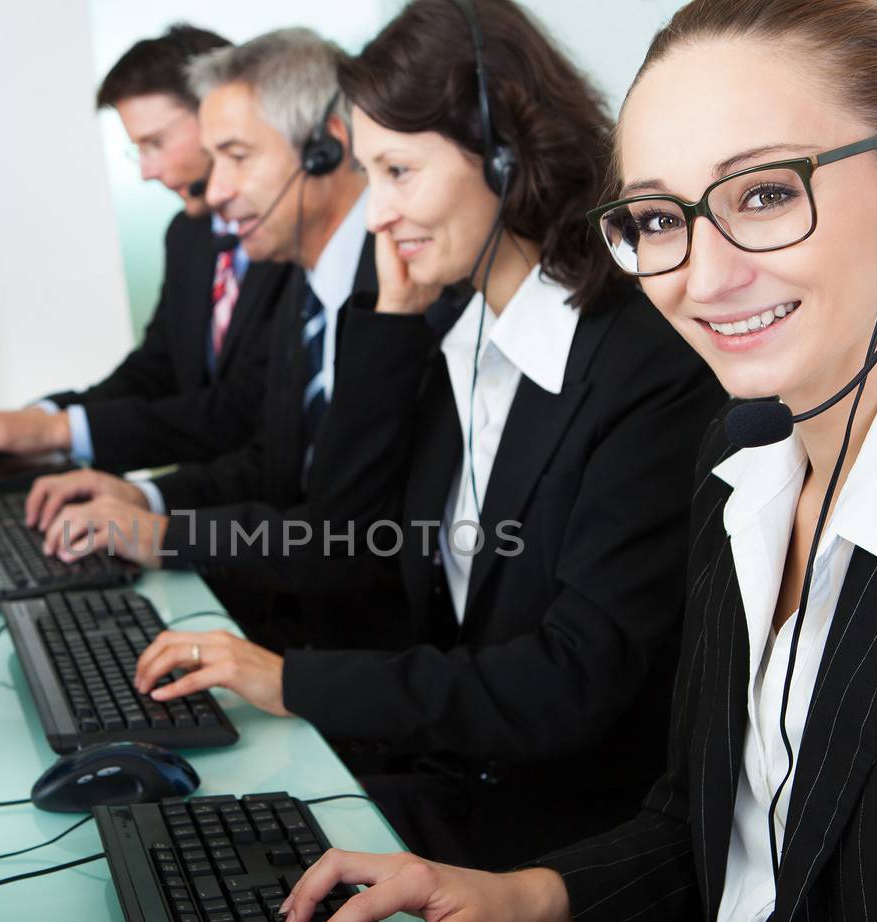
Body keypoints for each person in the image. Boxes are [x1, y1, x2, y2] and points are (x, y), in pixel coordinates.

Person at [269, 1, 877, 922]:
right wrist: (519, 894)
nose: (700, 277)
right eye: (656, 219)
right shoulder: (742, 469)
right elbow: (710, 836)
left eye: (762, 194)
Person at [125, 0, 724, 870]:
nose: (375, 214)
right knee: (181, 840)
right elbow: (348, 541)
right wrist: (394, 321)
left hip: (562, 842)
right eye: (371, 176)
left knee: (219, 865)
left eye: (399, 172)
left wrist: (287, 679)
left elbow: (566, 681)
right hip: (455, 782)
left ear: (506, 154)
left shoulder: (644, 367)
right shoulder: (462, 327)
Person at [25, 29, 406, 652]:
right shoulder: (307, 290)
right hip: (308, 623)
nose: (217, 189)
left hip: (365, 649)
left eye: (236, 155)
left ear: (323, 150)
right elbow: (269, 462)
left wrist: (164, 534)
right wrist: (144, 501)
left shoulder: (399, 298)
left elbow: (359, 540)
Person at [0, 24, 294, 475]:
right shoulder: (188, 236)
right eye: (137, 150)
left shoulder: (288, 239)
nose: (146, 171)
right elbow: (156, 370)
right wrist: (41, 418)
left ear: (217, 116)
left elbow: (239, 411)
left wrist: (61, 432)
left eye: (155, 143)